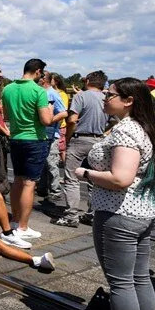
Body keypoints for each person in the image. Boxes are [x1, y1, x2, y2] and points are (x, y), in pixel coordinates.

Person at [77, 78, 155, 310]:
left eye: (111, 94)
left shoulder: (128, 130)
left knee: (121, 283)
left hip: (120, 214)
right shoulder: (147, 127)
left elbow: (121, 178)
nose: (105, 98)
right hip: (144, 212)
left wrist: (85, 173)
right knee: (140, 278)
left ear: (129, 100)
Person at [1, 59, 53, 240]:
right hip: (34, 139)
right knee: (30, 184)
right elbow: (46, 121)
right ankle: (23, 227)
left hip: (15, 138)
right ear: (38, 72)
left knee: (17, 180)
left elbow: (6, 115)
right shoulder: (39, 91)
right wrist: (58, 114)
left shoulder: (7, 89)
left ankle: (15, 220)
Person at [56, 70, 109, 227]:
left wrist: (68, 137)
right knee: (94, 179)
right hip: (99, 140)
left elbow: (72, 119)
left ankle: (72, 215)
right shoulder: (107, 98)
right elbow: (115, 120)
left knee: (71, 178)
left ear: (87, 82)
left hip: (80, 139)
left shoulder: (81, 96)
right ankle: (92, 213)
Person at [37, 72, 68, 204]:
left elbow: (63, 112)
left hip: (51, 134)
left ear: (44, 80)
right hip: (42, 133)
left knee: (51, 162)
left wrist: (49, 120)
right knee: (44, 162)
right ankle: (43, 188)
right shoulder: (40, 92)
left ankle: (56, 191)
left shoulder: (52, 93)